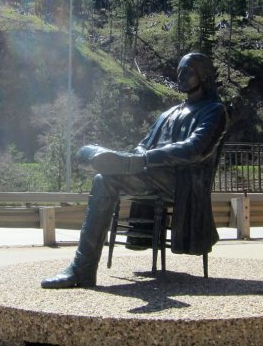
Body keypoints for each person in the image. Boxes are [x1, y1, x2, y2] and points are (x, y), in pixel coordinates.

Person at [41, 52, 228, 289]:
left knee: (106, 180)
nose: (181, 75)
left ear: (204, 75)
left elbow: (195, 149)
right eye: (179, 70)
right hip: (152, 174)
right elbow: (144, 142)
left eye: (188, 71)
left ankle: (82, 269)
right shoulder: (168, 113)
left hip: (183, 182)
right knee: (103, 179)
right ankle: (83, 269)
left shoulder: (215, 110)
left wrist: (143, 159)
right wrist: (135, 156)